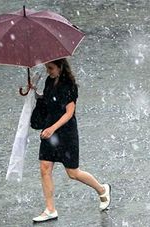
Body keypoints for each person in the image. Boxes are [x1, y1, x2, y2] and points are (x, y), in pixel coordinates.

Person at [31, 58, 111, 223]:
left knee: (73, 173)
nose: (48, 71)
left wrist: (53, 128)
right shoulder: (49, 80)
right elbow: (47, 100)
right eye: (47, 67)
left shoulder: (69, 86)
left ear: (60, 67)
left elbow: (69, 113)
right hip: (49, 130)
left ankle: (102, 189)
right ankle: (50, 209)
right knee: (45, 168)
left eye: (51, 68)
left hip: (66, 132)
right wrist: (33, 91)